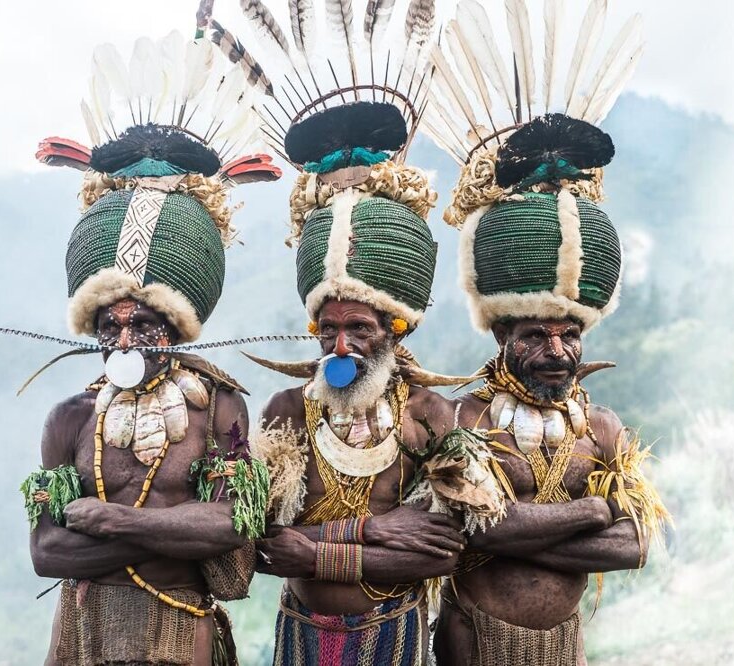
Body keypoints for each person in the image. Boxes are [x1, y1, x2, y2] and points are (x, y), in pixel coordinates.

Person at [228, 3, 507, 661]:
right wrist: (385, 534)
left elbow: (451, 545)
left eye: (359, 328)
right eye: (327, 331)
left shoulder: (431, 417)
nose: (341, 346)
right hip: (302, 638)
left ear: (395, 328)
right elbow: (263, 545)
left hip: (398, 637)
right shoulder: (286, 413)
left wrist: (320, 544)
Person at [415, 2, 671, 663]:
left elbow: (636, 544)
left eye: (567, 333)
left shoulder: (603, 430)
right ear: (501, 334)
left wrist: (514, 531)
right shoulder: (466, 420)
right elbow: (474, 531)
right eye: (534, 334)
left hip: (564, 647)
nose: (555, 351)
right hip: (473, 643)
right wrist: (591, 514)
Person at [19, 22, 280, 666]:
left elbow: (233, 526)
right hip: (84, 637)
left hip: (181, 632)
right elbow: (46, 552)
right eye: (112, 325)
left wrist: (112, 522)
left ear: (178, 325)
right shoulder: (70, 417)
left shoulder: (219, 407)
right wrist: (175, 534)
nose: (127, 339)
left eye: (145, 325)